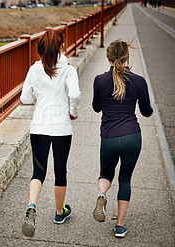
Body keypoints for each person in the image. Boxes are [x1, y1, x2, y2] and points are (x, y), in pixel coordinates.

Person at [20, 29, 81, 237]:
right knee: (60, 170)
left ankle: (32, 206)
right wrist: (73, 113)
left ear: (40, 50)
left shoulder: (34, 70)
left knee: (38, 172)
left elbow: (25, 98)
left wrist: (40, 96)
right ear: (60, 47)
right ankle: (58, 212)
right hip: (62, 128)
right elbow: (75, 94)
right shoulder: (68, 70)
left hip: (39, 127)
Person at [92, 40, 153, 238]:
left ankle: (102, 194)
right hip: (131, 136)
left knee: (106, 174)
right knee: (125, 178)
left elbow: (96, 107)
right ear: (126, 57)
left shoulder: (100, 80)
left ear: (108, 58)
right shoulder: (138, 81)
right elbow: (146, 112)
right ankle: (119, 225)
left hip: (109, 137)